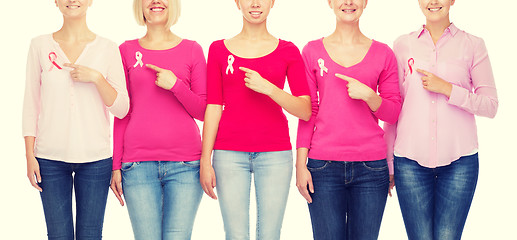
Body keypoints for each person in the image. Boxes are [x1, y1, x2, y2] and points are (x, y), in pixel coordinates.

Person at [384, 0, 498, 239]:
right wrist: (389, 163)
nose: (433, 2)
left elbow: (490, 105)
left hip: (460, 163)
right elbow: (394, 107)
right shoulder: (402, 45)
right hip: (409, 162)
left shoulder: (473, 45)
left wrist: (448, 89)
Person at [199, 0, 311, 239]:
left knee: (269, 234)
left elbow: (305, 110)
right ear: (237, 3)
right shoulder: (218, 49)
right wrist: (204, 160)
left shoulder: (288, 50)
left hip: (275, 155)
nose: (255, 3)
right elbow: (213, 107)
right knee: (235, 234)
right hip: (228, 154)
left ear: (272, 3)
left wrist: (270, 88)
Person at [22, 0, 129, 239]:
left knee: (90, 235)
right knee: (58, 235)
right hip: (49, 159)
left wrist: (97, 78)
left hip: (96, 160)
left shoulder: (108, 48)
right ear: (56, 2)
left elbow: (122, 108)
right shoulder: (39, 45)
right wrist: (29, 155)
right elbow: (31, 104)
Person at [295, 0, 402, 239]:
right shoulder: (312, 51)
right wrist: (300, 165)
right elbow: (307, 111)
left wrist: (370, 97)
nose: (349, 2)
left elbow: (393, 112)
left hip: (371, 168)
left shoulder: (384, 53)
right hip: (322, 167)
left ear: (365, 3)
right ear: (330, 2)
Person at [109, 0, 207, 239]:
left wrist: (176, 85)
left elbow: (204, 111)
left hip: (186, 167)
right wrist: (116, 165)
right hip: (137, 167)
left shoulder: (192, 49)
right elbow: (123, 112)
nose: (155, 1)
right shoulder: (126, 50)